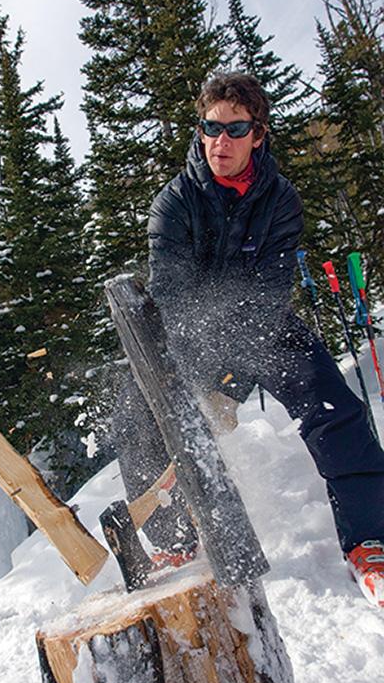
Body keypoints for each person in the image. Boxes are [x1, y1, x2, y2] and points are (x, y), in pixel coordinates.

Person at [112, 71, 384, 607]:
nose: (221, 141)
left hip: (266, 323)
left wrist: (231, 384)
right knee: (134, 410)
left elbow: (269, 291)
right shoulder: (174, 203)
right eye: (211, 127)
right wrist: (203, 379)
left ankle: (370, 539)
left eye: (235, 129)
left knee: (335, 408)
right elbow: (173, 299)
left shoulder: (280, 199)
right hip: (189, 332)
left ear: (259, 134)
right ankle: (175, 543)